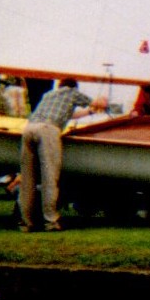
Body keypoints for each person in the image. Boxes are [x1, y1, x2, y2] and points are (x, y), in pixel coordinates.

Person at [18, 81, 95, 232]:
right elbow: (96, 102)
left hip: (29, 129)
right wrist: (103, 103)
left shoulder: (49, 95)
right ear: (74, 86)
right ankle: (51, 221)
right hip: (48, 130)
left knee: (27, 180)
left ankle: (25, 222)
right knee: (50, 177)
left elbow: (68, 113)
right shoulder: (72, 93)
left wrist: (88, 113)